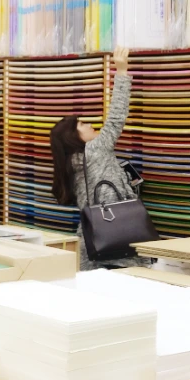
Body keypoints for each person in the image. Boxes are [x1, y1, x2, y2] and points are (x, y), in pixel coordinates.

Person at [49, 47, 148, 270]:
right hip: (119, 244)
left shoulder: (73, 164)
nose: (91, 125)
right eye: (83, 124)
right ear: (73, 136)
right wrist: (121, 71)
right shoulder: (94, 151)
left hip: (92, 246)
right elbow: (116, 119)